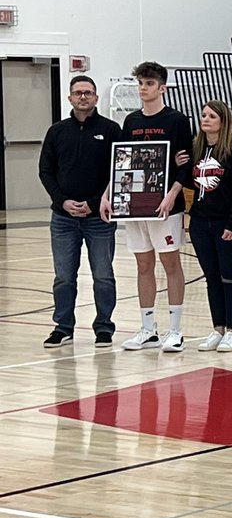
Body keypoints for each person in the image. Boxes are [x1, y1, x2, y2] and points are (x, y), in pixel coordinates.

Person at [100, 61, 193, 352]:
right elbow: (124, 162)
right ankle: (148, 329)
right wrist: (108, 194)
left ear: (162, 87)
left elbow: (185, 164)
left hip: (166, 206)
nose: (143, 88)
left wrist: (172, 194)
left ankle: (175, 330)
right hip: (136, 204)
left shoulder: (177, 120)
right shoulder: (131, 121)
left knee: (171, 263)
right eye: (141, 83)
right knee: (143, 265)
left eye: (149, 83)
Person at [38, 74, 122, 348]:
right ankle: (63, 328)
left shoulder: (111, 130)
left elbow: (118, 171)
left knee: (103, 275)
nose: (83, 97)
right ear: (70, 98)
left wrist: (96, 202)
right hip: (63, 219)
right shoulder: (57, 131)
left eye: (88, 92)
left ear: (96, 98)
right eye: (78, 93)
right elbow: (46, 171)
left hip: (99, 218)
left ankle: (104, 328)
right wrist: (62, 201)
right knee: (63, 276)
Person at [189, 100, 232, 353]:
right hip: (200, 222)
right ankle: (218, 329)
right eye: (203, 115)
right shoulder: (197, 149)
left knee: (228, 276)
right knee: (211, 278)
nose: (205, 119)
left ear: (223, 121)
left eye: (211, 116)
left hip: (227, 222)